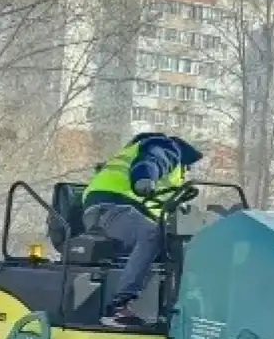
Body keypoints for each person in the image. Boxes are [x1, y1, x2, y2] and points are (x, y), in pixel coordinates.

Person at [81, 132, 203, 328]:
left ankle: (168, 310)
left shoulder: (132, 150)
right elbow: (152, 159)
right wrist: (144, 177)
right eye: (187, 169)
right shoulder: (168, 147)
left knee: (167, 244)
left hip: (109, 210)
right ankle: (120, 306)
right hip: (111, 207)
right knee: (152, 234)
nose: (185, 173)